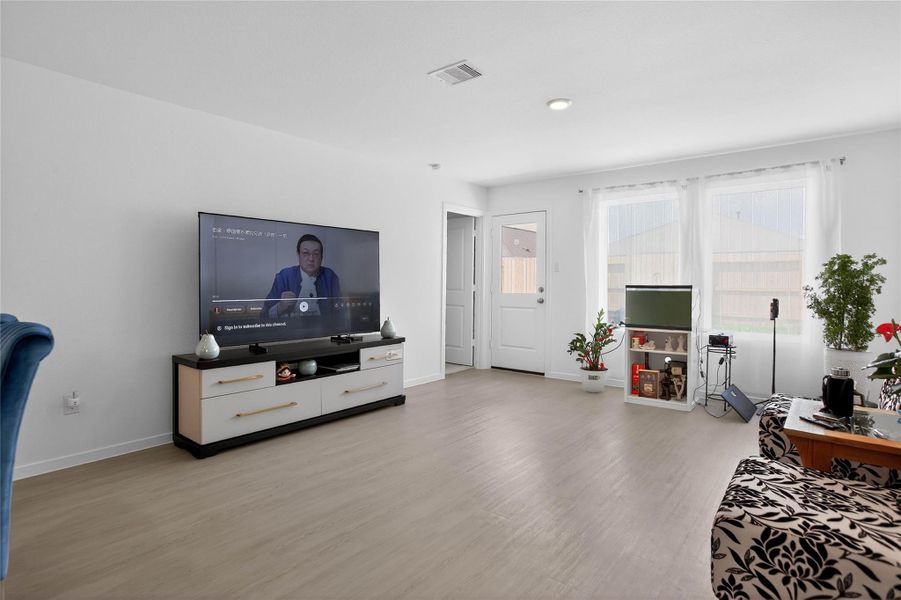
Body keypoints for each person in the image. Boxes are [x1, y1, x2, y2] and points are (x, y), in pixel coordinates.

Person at [263, 234, 341, 318]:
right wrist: (280, 307)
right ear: (298, 255)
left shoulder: (330, 276)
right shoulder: (284, 276)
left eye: (316, 254)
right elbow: (263, 314)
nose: (311, 258)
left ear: (321, 257)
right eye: (306, 253)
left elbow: (340, 312)